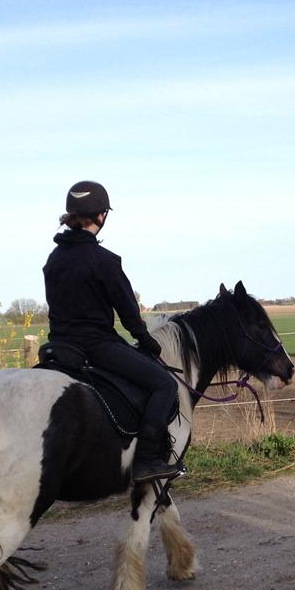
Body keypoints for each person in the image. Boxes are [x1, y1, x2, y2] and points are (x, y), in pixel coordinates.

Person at [42, 180, 183, 482]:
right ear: (101, 216)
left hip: (58, 346)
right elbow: (129, 315)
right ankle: (146, 460)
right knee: (165, 385)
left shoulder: (53, 260)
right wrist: (148, 343)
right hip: (96, 346)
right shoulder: (104, 261)